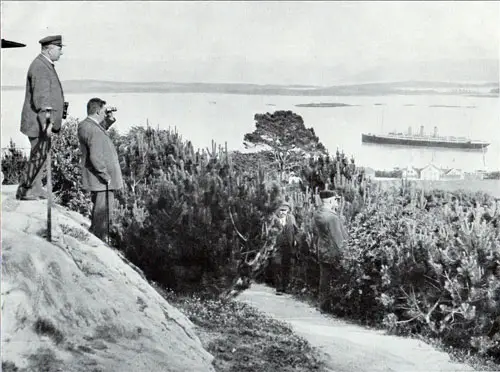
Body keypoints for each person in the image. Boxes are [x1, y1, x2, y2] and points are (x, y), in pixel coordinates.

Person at [16, 35, 66, 200]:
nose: (61, 52)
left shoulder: (44, 64)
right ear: (50, 48)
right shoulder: (40, 67)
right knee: (38, 155)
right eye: (59, 49)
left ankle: (35, 188)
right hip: (40, 123)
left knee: (40, 155)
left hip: (41, 122)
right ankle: (26, 189)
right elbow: (42, 98)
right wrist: (48, 122)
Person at [78, 98, 123, 242]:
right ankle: (99, 241)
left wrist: (109, 118)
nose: (106, 113)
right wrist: (106, 176)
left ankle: (97, 235)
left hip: (99, 179)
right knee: (102, 213)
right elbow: (96, 156)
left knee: (100, 212)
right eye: (104, 111)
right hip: (101, 180)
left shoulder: (88, 125)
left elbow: (102, 128)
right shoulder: (91, 128)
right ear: (98, 111)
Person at [313, 190, 349, 311]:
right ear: (330, 201)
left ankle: (324, 305)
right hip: (333, 252)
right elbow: (338, 238)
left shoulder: (318, 214)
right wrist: (346, 253)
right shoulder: (332, 217)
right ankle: (339, 307)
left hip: (322, 250)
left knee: (325, 278)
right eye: (336, 200)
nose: (337, 202)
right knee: (339, 279)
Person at [272, 202, 298, 295]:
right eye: (281, 210)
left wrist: (295, 240)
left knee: (287, 265)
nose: (282, 212)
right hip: (277, 246)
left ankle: (286, 287)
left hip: (288, 245)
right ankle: (279, 288)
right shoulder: (274, 219)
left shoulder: (291, 218)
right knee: (277, 265)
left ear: (288, 211)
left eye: (285, 210)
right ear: (278, 210)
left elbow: (296, 231)